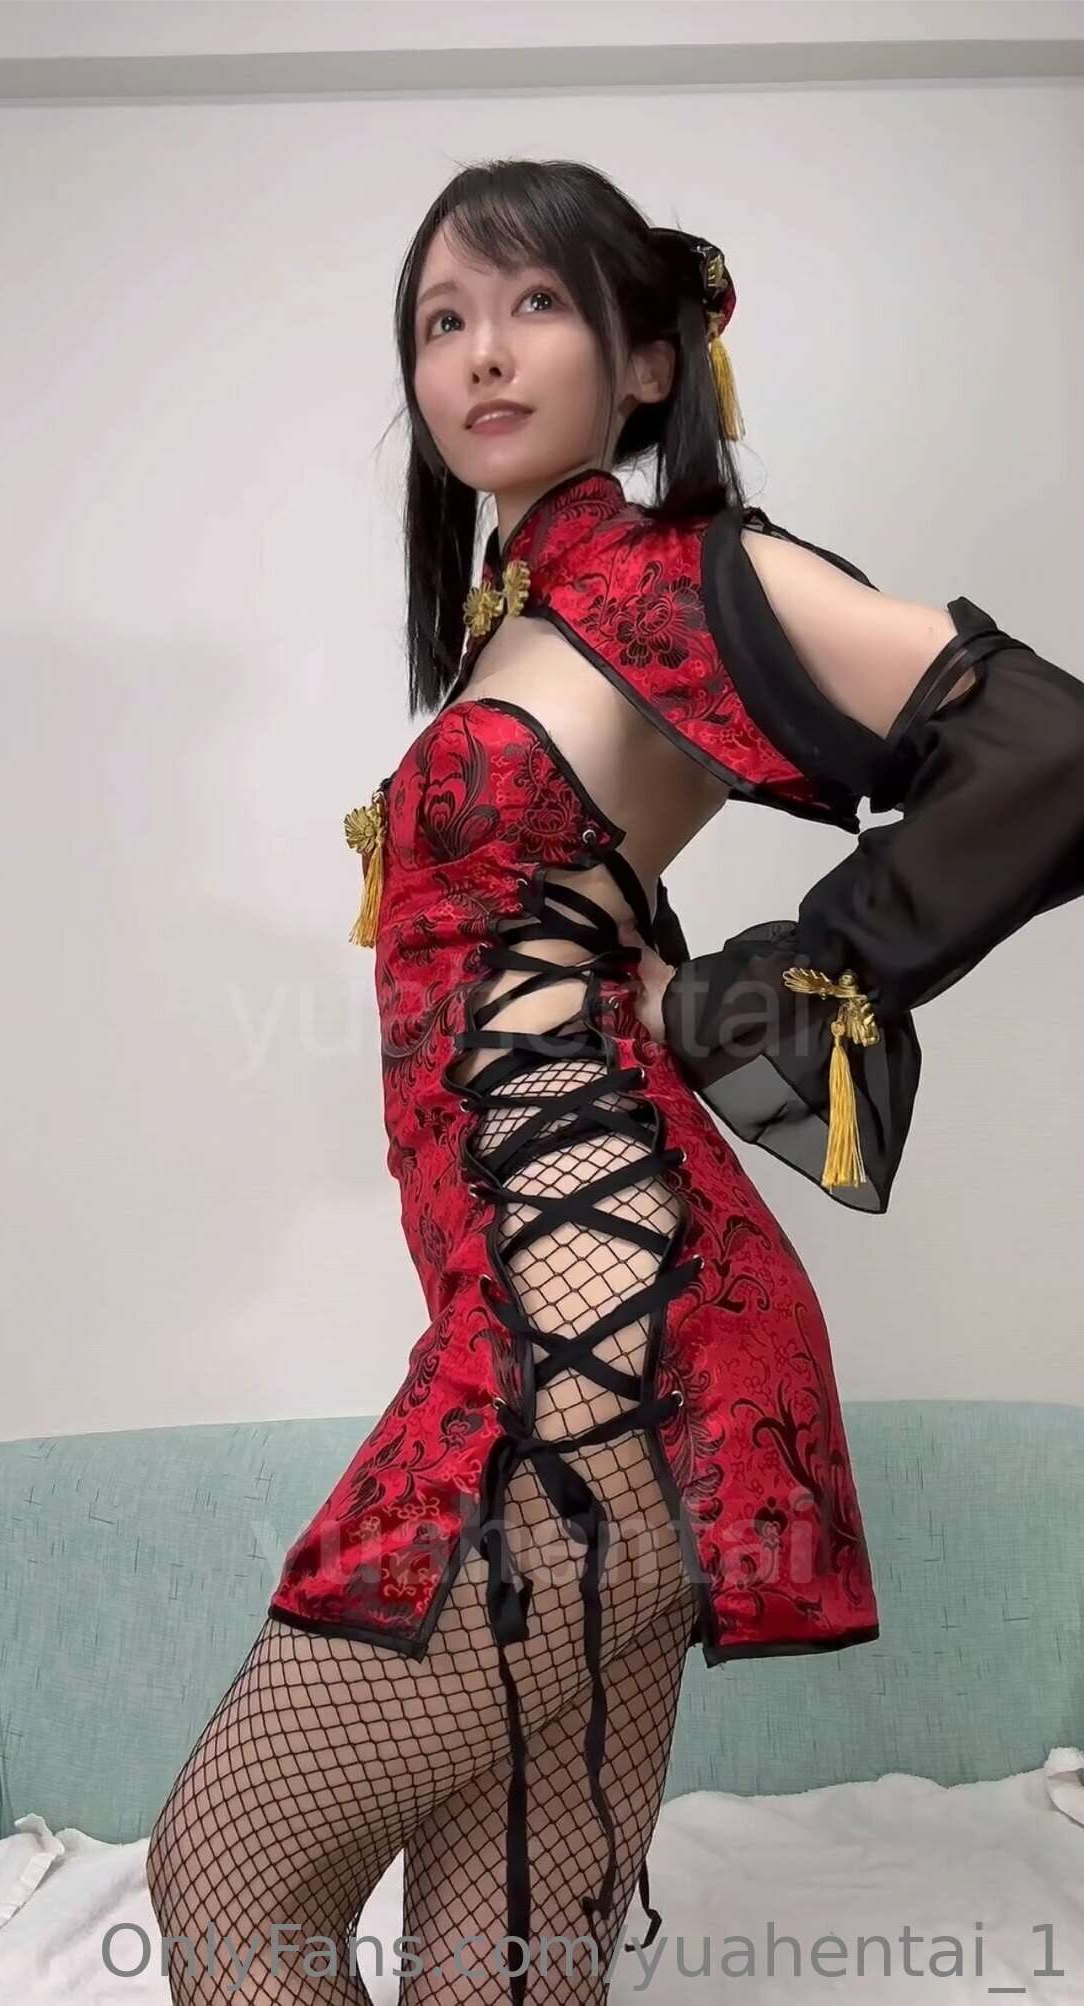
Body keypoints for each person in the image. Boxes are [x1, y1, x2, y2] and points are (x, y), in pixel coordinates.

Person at [146, 157, 1084, 2005]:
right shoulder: (522, 621)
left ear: (648, 361)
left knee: (229, 1866)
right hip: (556, 1322)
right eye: (441, 319)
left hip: (603, 1345)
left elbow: (1051, 747)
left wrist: (738, 995)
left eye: (534, 305)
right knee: (498, 1971)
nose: (480, 353)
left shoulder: (669, 580)